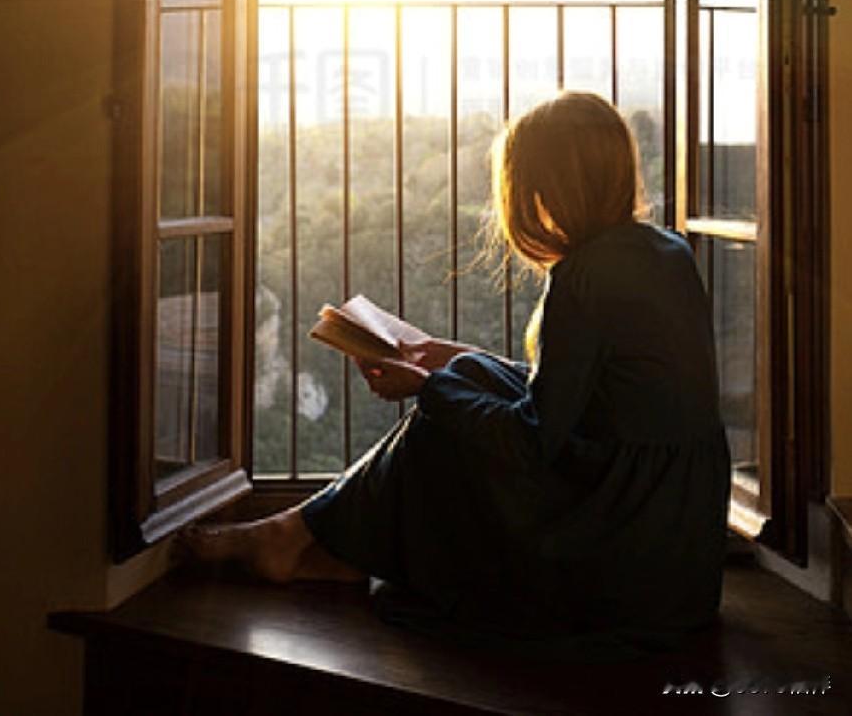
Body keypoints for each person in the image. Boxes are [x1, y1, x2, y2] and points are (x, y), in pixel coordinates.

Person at [182, 91, 731, 658]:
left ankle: (291, 536)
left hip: (617, 538)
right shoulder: (664, 250)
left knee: (441, 414)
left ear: (543, 189)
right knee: (468, 371)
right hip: (675, 543)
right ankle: (300, 535)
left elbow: (531, 440)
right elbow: (597, 391)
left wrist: (426, 387)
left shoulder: (583, 280)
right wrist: (443, 357)